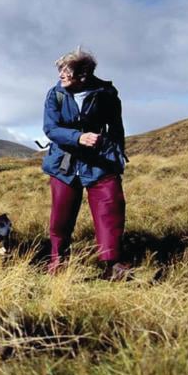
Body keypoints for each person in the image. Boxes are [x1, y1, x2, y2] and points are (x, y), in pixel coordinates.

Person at [41, 49, 130, 279]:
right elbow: (51, 129)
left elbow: (116, 127)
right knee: (61, 217)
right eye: (59, 69)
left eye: (66, 70)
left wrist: (118, 155)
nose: (60, 75)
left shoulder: (106, 93)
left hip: (100, 163)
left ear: (83, 74)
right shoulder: (55, 94)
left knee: (110, 211)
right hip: (64, 163)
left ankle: (113, 265)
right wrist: (78, 138)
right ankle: (58, 263)